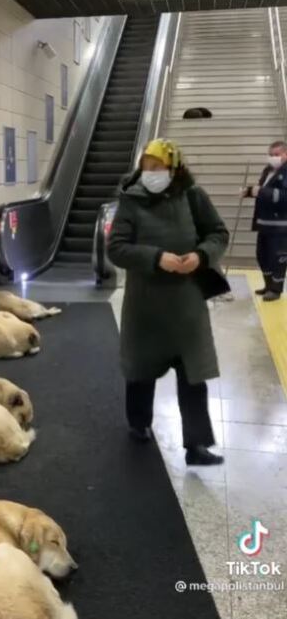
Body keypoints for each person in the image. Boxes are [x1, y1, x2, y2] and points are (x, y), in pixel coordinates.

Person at [108, 138, 228, 466]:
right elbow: (115, 248)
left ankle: (197, 445)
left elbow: (218, 234)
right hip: (145, 305)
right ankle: (139, 424)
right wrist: (156, 257)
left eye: (157, 167)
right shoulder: (131, 202)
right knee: (140, 370)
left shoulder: (193, 197)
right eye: (146, 167)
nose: (150, 173)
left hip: (186, 304)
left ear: (174, 168)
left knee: (193, 375)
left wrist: (201, 255)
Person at [242, 140, 287, 301]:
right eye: (271, 155)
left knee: (278, 258)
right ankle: (268, 285)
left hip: (281, 225)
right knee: (262, 255)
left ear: (285, 154)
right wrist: (249, 191)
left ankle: (276, 289)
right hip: (264, 222)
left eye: (277, 154)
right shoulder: (267, 170)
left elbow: (283, 196)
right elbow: (263, 191)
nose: (273, 158)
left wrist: (260, 191)